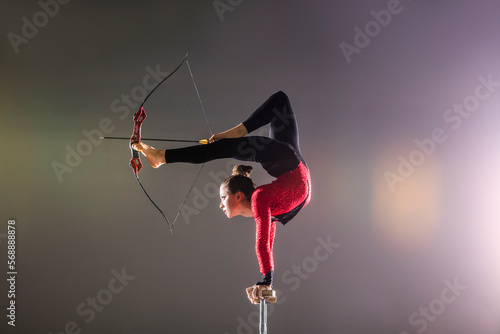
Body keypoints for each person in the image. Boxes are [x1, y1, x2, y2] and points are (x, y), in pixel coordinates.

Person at [132, 91, 311, 304]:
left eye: (221, 198)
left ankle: (164, 156)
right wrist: (267, 279)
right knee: (224, 144)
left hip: (291, 165)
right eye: (222, 198)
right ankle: (162, 157)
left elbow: (263, 241)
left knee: (278, 102)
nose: (220, 204)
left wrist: (267, 278)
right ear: (238, 196)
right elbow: (266, 241)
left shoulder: (261, 199)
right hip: (292, 164)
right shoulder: (263, 201)